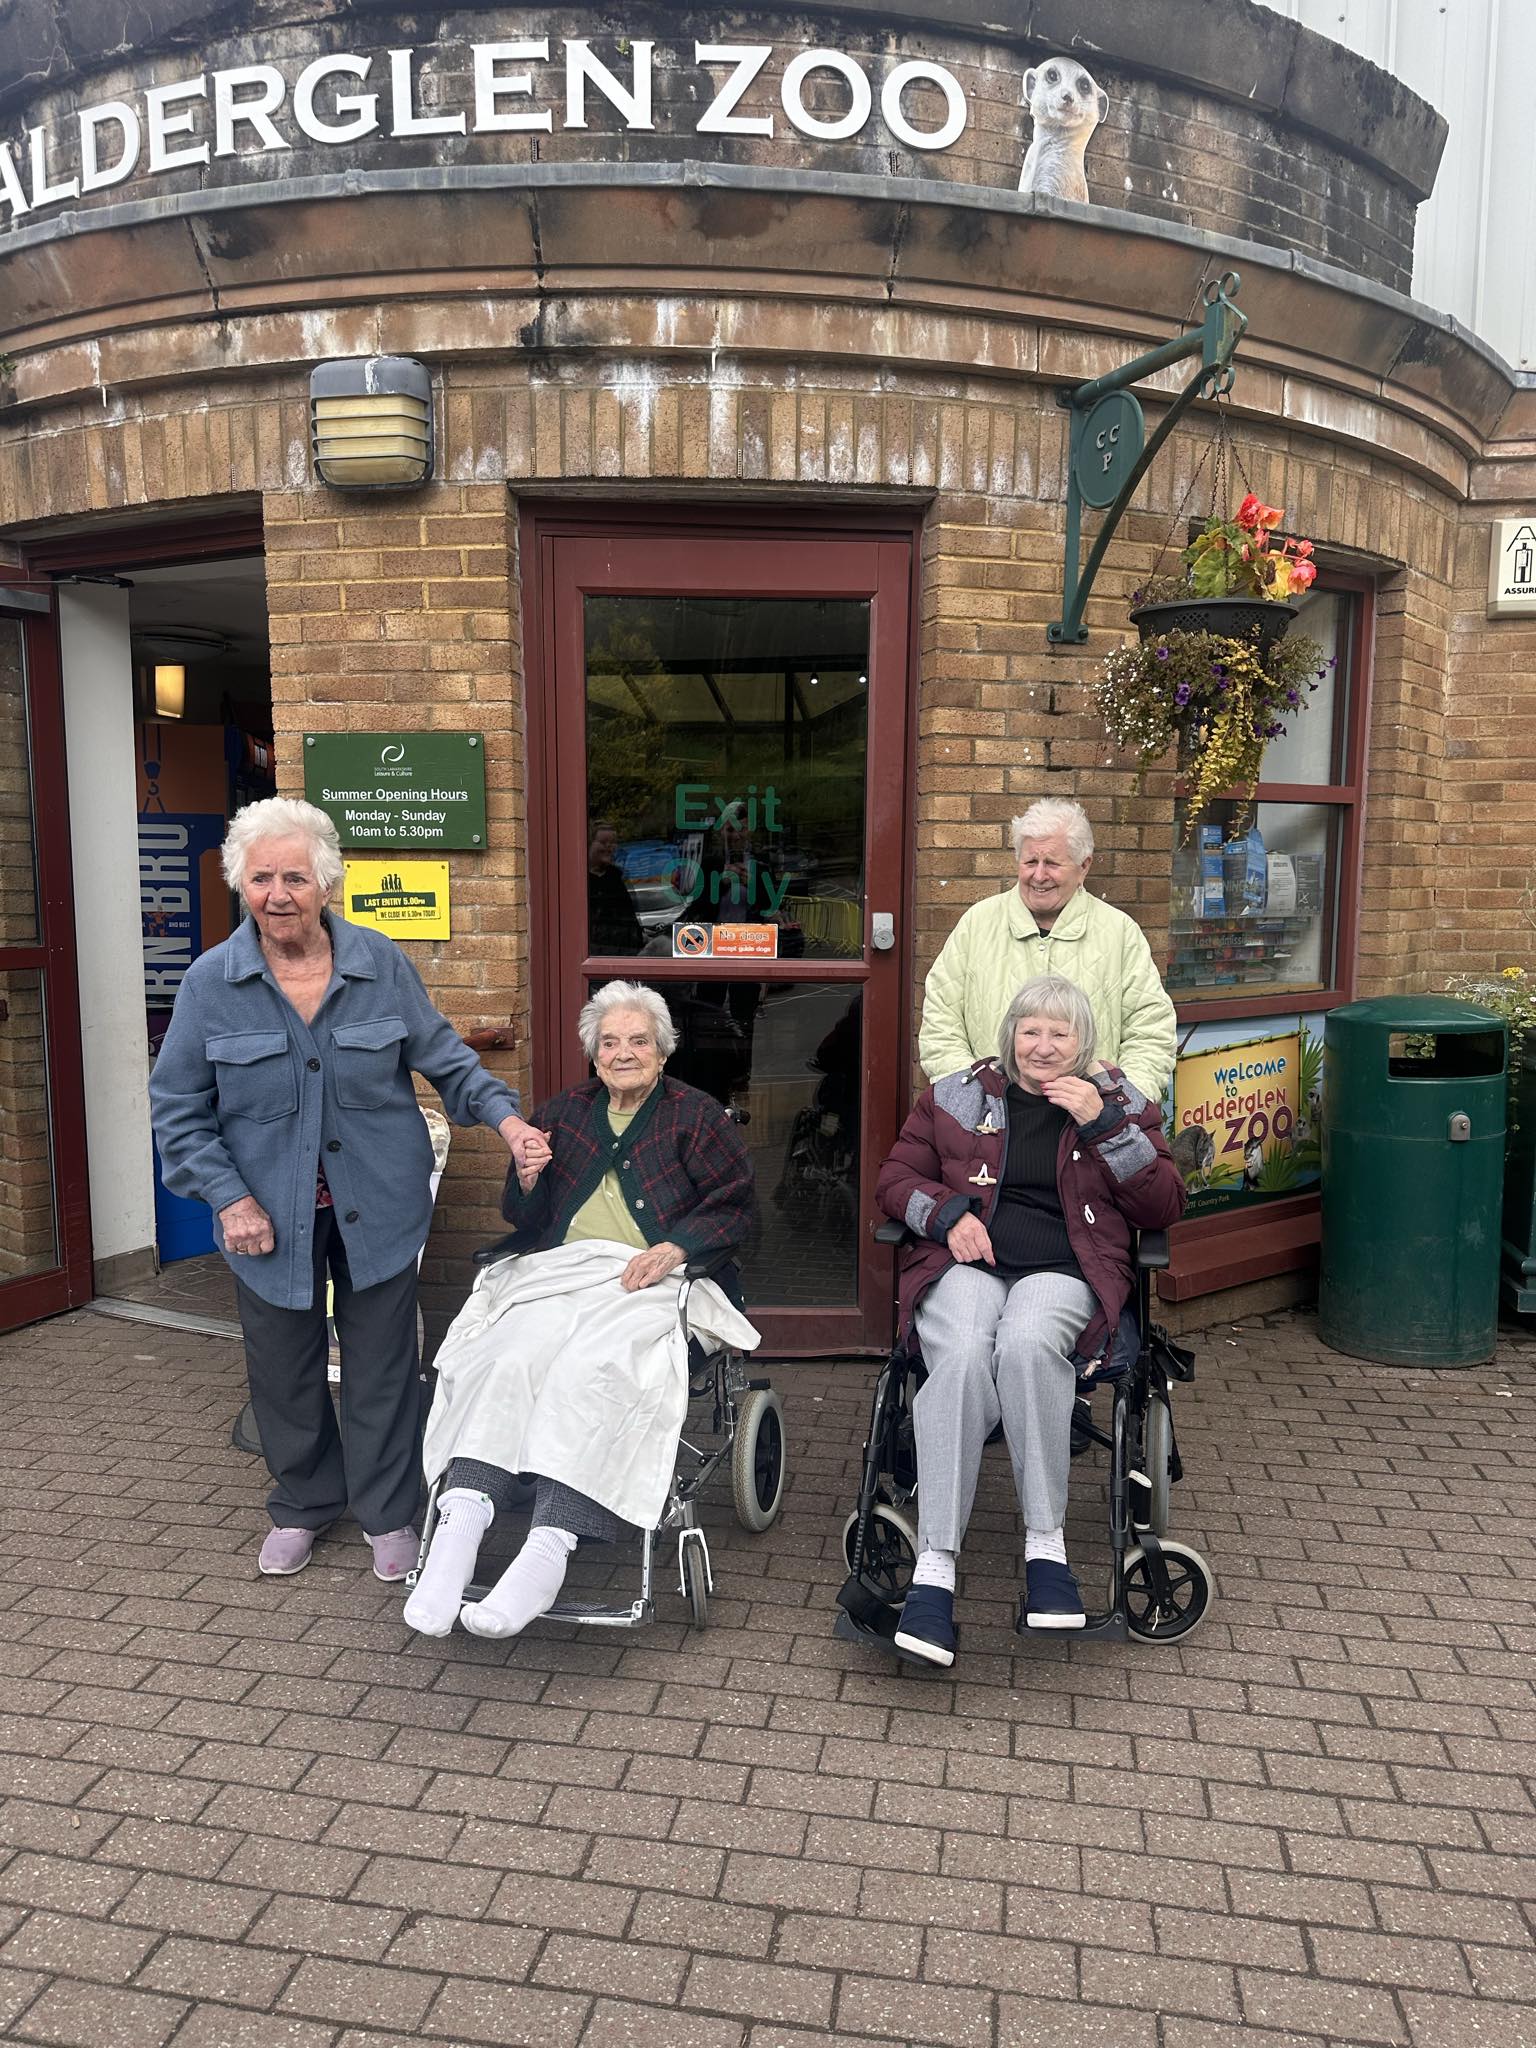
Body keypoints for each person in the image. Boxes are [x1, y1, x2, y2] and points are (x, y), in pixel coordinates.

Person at [150, 797, 542, 1582]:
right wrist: (229, 1197)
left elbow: (447, 1059)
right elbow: (177, 1109)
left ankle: (388, 1510)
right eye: (261, 878)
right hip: (265, 1218)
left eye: (295, 875)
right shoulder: (209, 984)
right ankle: (302, 1502)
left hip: (381, 1209)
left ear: (327, 883)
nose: (278, 893)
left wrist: (507, 1123)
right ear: (241, 885)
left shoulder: (379, 963)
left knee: (383, 1366)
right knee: (284, 1369)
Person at [404, 980, 757, 1640]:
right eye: (610, 1042)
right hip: (560, 1274)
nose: (624, 1053)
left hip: (646, 1282)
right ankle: (462, 1522)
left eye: (639, 1041)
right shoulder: (563, 1112)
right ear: (593, 1052)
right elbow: (524, 1217)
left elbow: (736, 1208)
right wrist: (530, 1177)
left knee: (591, 1369)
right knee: (505, 1357)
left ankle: (548, 1547)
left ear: (662, 1050)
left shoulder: (697, 1116)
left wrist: (677, 1247)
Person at [874, 974, 1185, 1664]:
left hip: (1065, 1271)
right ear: (1011, 1033)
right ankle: (936, 1566)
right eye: (1031, 1030)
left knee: (1024, 1343)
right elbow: (894, 1181)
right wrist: (947, 1214)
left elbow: (1162, 1207)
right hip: (968, 1268)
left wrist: (1103, 1127)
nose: (1043, 1046)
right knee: (957, 1356)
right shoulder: (956, 1095)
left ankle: (1046, 1548)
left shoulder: (1122, 1103)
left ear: (1085, 1041)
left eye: (1060, 1033)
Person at [917, 797, 1177, 1104]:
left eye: (1052, 863)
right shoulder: (977, 925)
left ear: (1084, 866)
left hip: (1088, 1126)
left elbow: (1151, 1033)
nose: (1039, 876)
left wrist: (1115, 1107)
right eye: (1030, 862)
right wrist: (971, 1098)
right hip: (990, 1125)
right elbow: (940, 1026)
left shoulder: (1119, 933)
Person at [587, 821, 644, 955]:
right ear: (589, 844)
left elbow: (630, 918)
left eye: (613, 843)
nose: (609, 847)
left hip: (622, 953)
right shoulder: (578, 879)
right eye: (603, 842)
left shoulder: (617, 877)